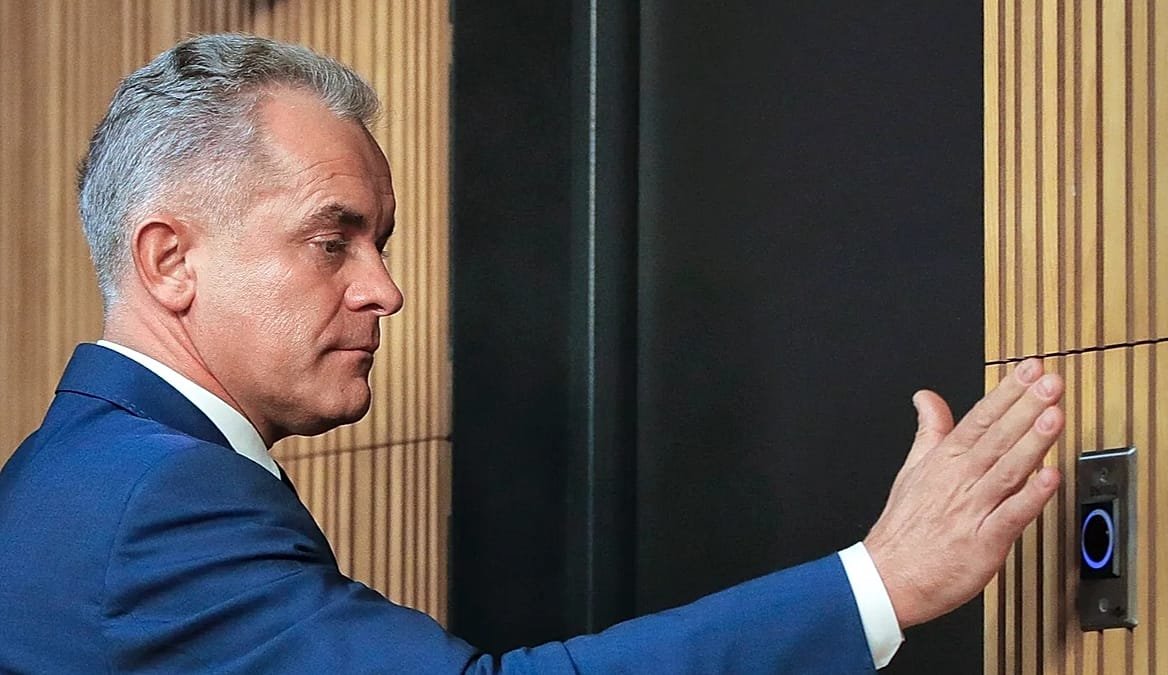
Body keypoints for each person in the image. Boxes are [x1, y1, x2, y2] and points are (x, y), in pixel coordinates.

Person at [0, 34, 1064, 673]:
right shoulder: (152, 500)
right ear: (171, 261)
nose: (383, 289)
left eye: (381, 242)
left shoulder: (85, 472)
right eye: (332, 241)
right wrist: (882, 582)